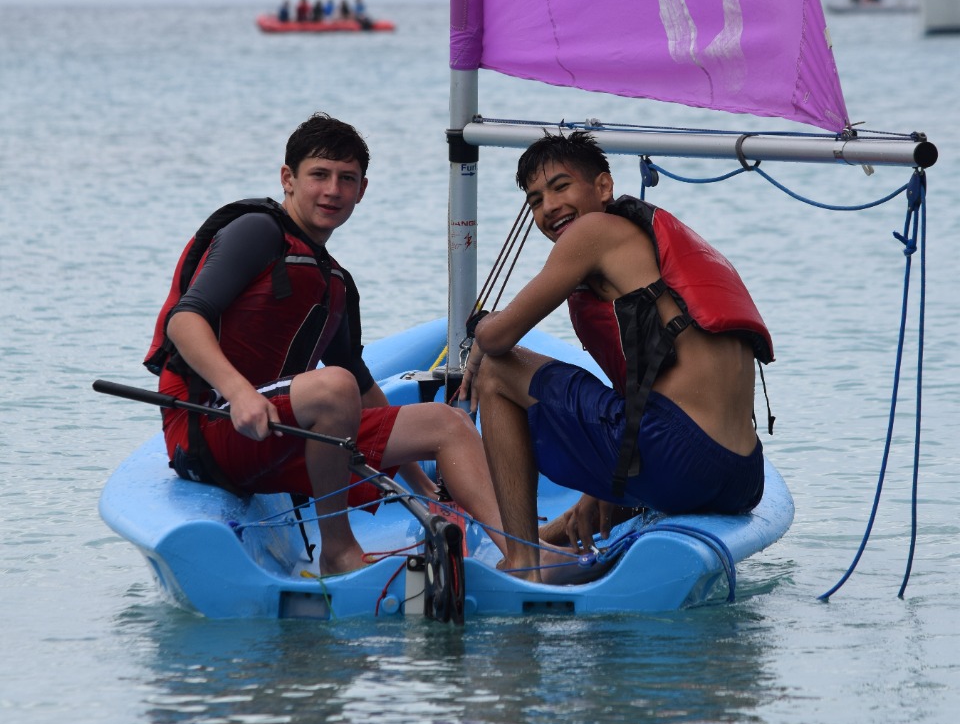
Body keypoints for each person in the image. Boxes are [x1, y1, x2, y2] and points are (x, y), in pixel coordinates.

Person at [146, 113, 502, 575]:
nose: (333, 190)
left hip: (278, 431)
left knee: (448, 423)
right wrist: (240, 393)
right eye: (319, 175)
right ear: (288, 179)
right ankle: (339, 550)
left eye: (346, 179)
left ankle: (523, 556)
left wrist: (422, 487)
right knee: (333, 388)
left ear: (362, 189)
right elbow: (184, 320)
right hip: (210, 425)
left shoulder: (335, 281)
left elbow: (362, 383)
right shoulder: (257, 231)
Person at [461, 132, 772, 582]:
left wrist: (479, 331)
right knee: (622, 453)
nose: (549, 207)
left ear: (603, 186)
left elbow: (497, 337)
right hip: (743, 476)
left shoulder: (592, 232)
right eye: (535, 200)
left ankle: (523, 563)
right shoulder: (646, 243)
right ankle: (553, 535)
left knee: (495, 371)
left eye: (561, 186)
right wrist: (598, 490)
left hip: (681, 457)